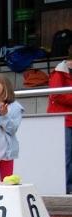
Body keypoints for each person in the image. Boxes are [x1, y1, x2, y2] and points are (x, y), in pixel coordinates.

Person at [47, 53, 72, 194]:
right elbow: (56, 95)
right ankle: (66, 187)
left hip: (68, 118)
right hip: (63, 120)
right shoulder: (59, 73)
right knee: (66, 155)